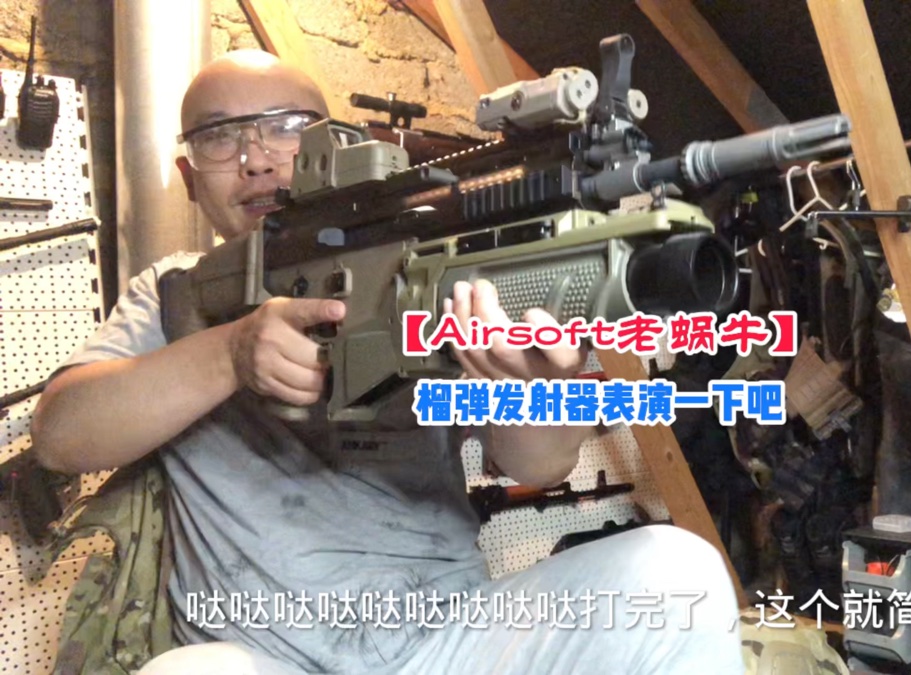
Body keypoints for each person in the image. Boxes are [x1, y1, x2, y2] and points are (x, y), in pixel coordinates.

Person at [32, 50, 744, 674]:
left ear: (335, 143)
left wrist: (534, 390)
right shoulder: (173, 292)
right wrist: (229, 352)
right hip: (262, 653)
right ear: (189, 176)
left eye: (286, 125)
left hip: (452, 641)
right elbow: (61, 436)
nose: (256, 157)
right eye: (219, 135)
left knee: (676, 573)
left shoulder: (427, 258)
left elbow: (537, 465)